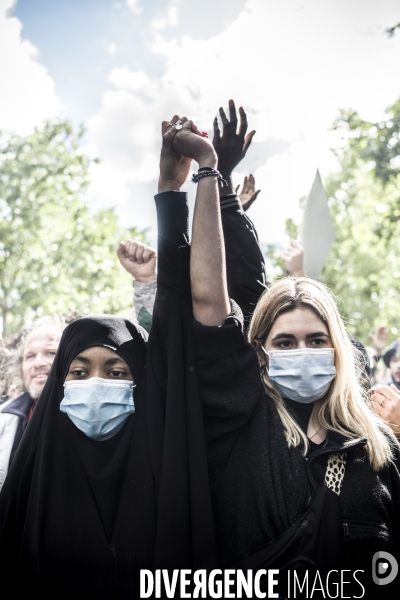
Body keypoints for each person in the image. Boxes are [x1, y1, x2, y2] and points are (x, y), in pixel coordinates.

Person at [160, 115, 400, 596]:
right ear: (259, 353)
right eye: (285, 342)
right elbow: (215, 298)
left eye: (316, 341)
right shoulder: (239, 419)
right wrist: (208, 174)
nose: (303, 351)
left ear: (339, 350)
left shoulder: (378, 449)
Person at [0, 314, 158, 597]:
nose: (95, 385)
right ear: (61, 381)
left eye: (116, 373)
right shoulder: (30, 481)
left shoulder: (169, 475)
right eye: (80, 373)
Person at [0, 317, 65, 489]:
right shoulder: (5, 418)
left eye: (51, 353)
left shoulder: (84, 415)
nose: (38, 363)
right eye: (30, 356)